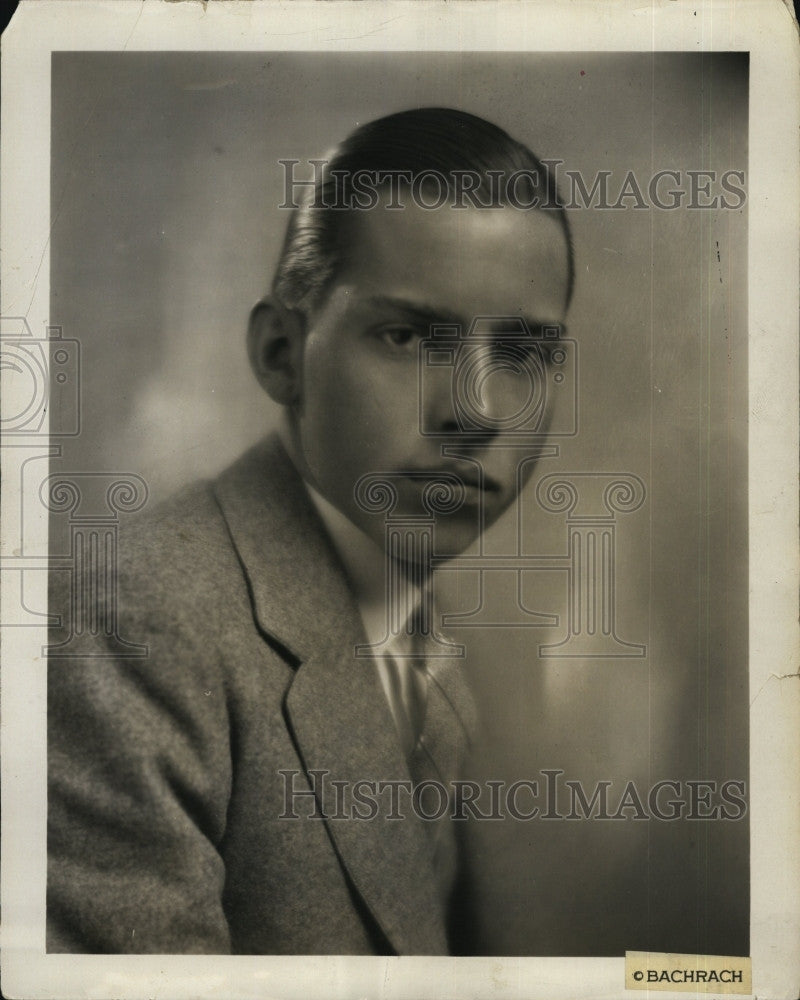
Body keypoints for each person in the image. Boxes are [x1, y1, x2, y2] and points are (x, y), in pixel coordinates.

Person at [47, 107, 574, 955]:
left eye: (520, 354)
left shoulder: (439, 622)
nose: (475, 412)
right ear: (282, 355)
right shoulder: (132, 633)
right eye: (407, 336)